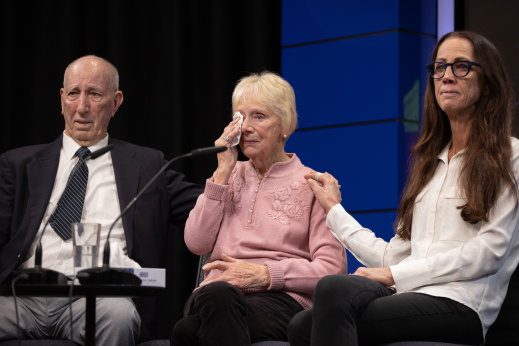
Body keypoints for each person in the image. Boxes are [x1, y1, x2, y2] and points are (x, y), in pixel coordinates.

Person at [288, 31, 519, 346]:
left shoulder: (511, 155)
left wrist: (395, 276)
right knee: (306, 319)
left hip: (462, 303)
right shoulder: (429, 164)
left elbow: (490, 251)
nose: (446, 76)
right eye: (439, 68)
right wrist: (334, 209)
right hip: (409, 294)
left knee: (330, 305)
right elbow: (390, 255)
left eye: (460, 66)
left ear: (488, 83)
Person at [0, 55, 203, 345]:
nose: (81, 108)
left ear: (116, 102)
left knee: (118, 316)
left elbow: (205, 210)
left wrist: (224, 171)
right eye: (73, 94)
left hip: (98, 301)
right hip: (21, 297)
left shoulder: (146, 165)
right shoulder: (18, 164)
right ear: (61, 99)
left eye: (94, 94)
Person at [170, 71, 347, 345]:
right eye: (240, 117)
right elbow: (196, 242)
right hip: (214, 295)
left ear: (285, 125)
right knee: (216, 299)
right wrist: (222, 173)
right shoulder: (225, 176)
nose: (246, 127)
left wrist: (265, 275)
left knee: (187, 332)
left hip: (281, 300)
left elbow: (332, 269)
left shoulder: (312, 184)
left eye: (259, 117)